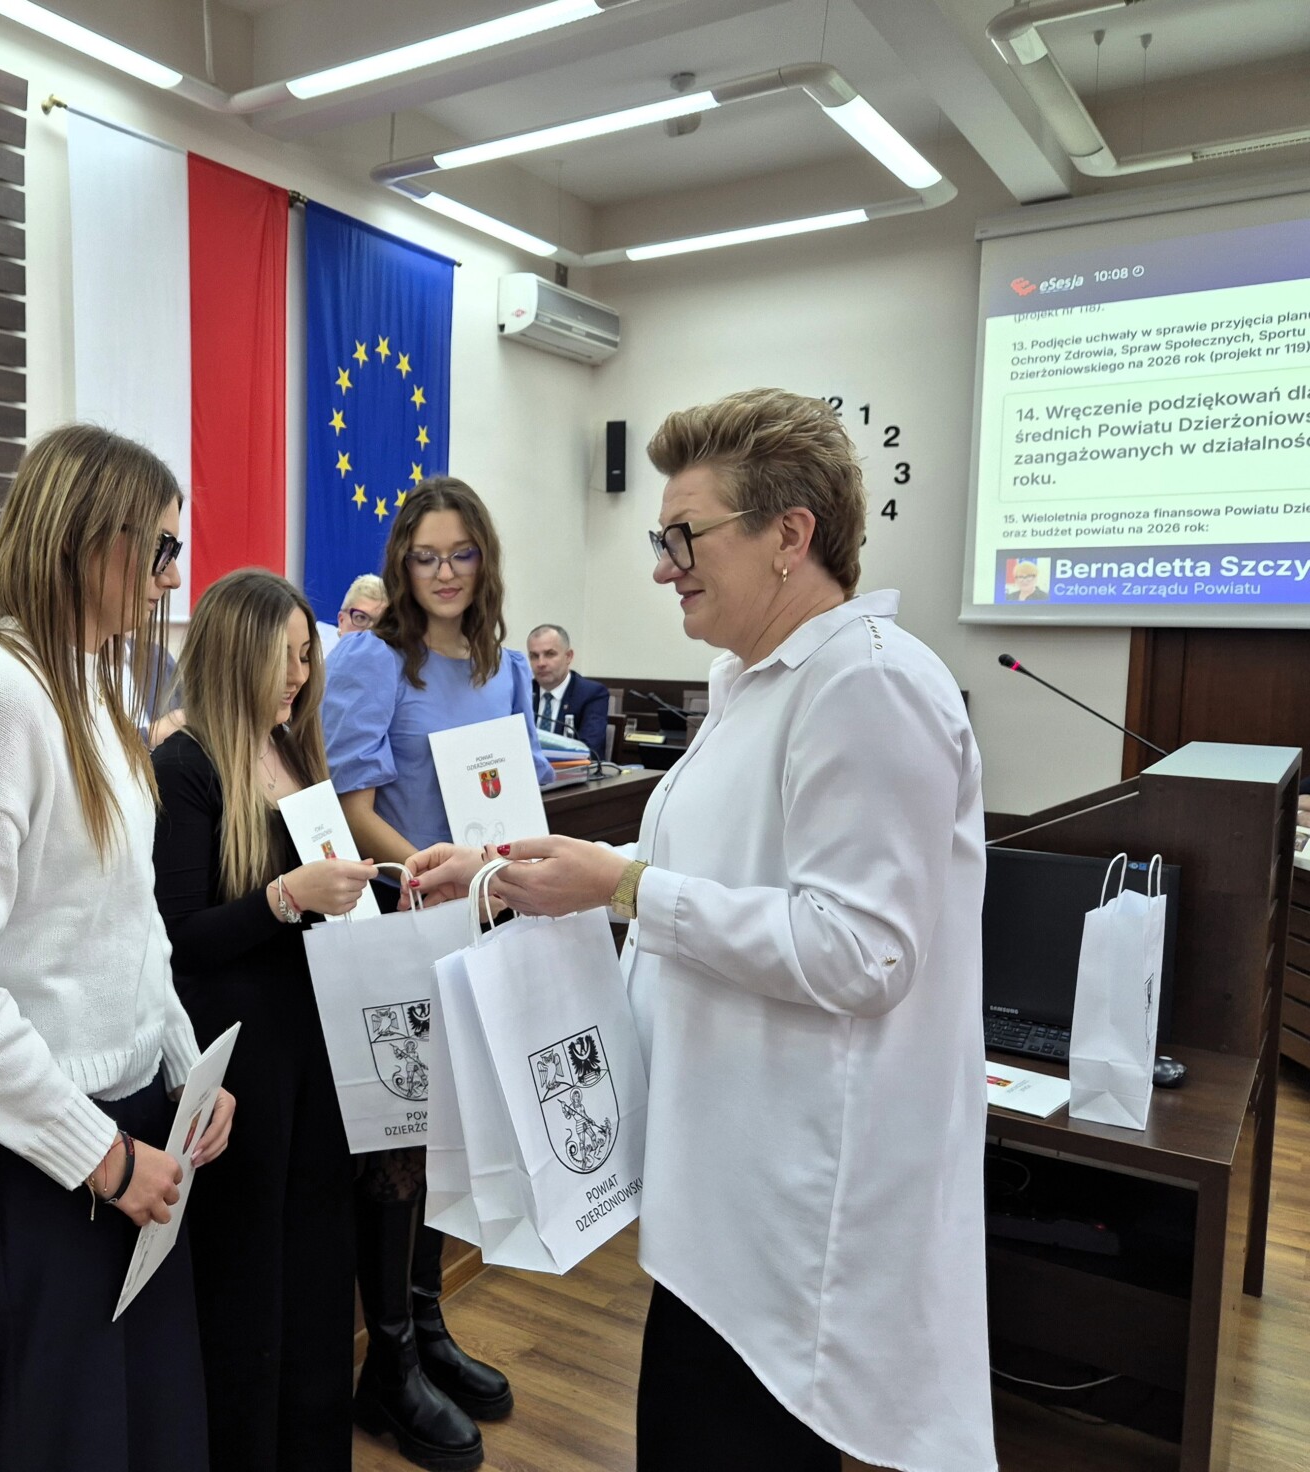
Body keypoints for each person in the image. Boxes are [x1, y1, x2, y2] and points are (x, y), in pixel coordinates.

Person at [408, 389, 996, 1472]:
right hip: (721, 1196)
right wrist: (507, 871)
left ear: (789, 535)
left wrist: (629, 887)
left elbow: (862, 952)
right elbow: (691, 870)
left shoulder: (866, 682)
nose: (662, 566)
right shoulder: (753, 685)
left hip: (793, 1213)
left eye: (684, 536)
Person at [0, 423, 235, 1472]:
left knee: (154, 1431)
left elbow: (130, 917)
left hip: (129, 1132)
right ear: (85, 536)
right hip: (45, 1152)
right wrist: (99, 1156)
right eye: (159, 547)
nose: (172, 577)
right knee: (61, 1439)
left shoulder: (95, 687)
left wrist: (185, 1070)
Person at [319, 478, 550, 1472]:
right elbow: (352, 802)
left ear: (482, 558)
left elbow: (521, 793)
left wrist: (501, 877)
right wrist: (436, 869)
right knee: (399, 1148)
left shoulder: (505, 665)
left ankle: (427, 1323)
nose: (445, 572)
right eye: (426, 556)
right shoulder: (373, 659)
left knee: (447, 1137)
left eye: (461, 553)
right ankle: (389, 1363)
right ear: (402, 564)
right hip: (408, 924)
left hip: (484, 922)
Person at [151, 569, 375, 1471]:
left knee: (318, 1265)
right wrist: (285, 898)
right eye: (282, 656)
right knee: (246, 1278)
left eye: (307, 655)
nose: (298, 675)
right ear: (233, 653)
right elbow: (178, 937)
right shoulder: (186, 765)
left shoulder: (292, 750)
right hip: (242, 1061)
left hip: (318, 1044)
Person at [526, 622, 609, 755]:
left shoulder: (591, 694)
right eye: (534, 656)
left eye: (550, 654)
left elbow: (589, 750)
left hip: (573, 767)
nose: (541, 663)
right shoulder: (524, 692)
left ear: (568, 656)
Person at [317, 572, 388, 660]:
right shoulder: (316, 659)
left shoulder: (395, 664)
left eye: (380, 623)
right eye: (361, 618)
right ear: (341, 620)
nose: (369, 633)